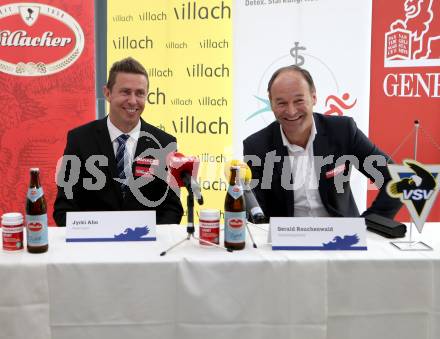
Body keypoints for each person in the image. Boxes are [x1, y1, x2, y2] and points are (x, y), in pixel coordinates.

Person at [243, 65, 401, 219]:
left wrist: (369, 226)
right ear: (271, 104)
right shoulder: (256, 147)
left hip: (343, 238)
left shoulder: (343, 131)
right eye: (282, 103)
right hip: (287, 239)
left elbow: (396, 179)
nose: (291, 111)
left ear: (313, 98)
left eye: (299, 101)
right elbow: (254, 211)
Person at [54, 57, 183, 225]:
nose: (132, 101)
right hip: (93, 247)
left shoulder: (165, 143)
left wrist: (148, 240)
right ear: (107, 93)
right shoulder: (79, 140)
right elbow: (65, 207)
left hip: (146, 247)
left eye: (140, 93)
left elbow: (172, 209)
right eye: (125, 92)